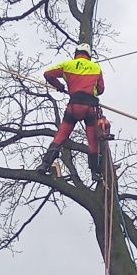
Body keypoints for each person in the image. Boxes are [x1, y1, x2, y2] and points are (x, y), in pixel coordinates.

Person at [39, 42, 106, 179]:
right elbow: (100, 90)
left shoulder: (67, 65)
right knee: (92, 140)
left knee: (61, 135)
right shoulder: (96, 68)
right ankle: (95, 172)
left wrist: (59, 86)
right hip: (90, 108)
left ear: (76, 53)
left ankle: (45, 164)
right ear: (89, 55)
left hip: (73, 106)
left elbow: (48, 74)